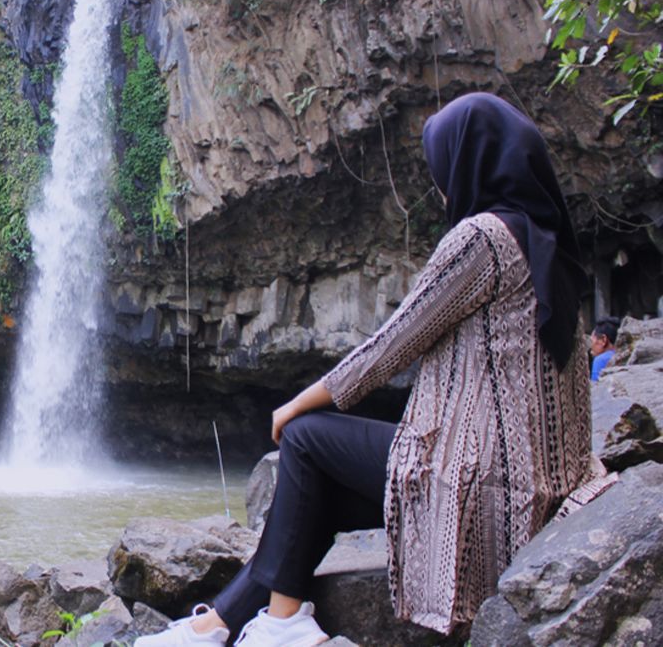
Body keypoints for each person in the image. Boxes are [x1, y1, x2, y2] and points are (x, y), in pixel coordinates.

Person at [135, 92, 595, 647]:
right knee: (315, 495)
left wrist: (297, 402)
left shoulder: (483, 240)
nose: (442, 187)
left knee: (306, 439)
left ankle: (278, 626)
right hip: (528, 490)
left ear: (471, 161)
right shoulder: (553, 254)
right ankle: (224, 625)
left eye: (442, 169)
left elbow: (390, 346)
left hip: (481, 486)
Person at [590, 316, 620, 381]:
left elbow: (595, 389)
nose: (591, 347)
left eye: (591, 341)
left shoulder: (600, 360)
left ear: (603, 340)